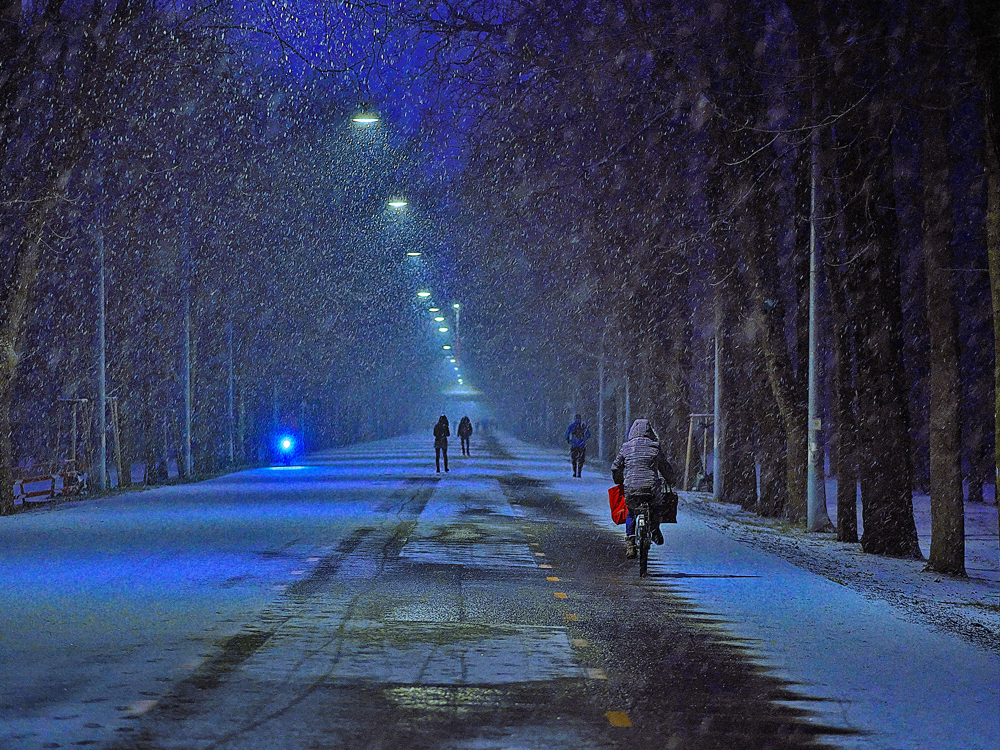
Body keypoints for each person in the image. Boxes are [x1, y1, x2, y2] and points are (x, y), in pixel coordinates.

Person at [611, 418, 676, 559]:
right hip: (651, 488)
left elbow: (615, 467)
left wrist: (619, 480)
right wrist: (671, 480)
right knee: (657, 506)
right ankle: (654, 528)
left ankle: (630, 544)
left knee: (631, 512)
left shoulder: (626, 447)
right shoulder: (655, 447)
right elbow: (664, 467)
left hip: (632, 489)